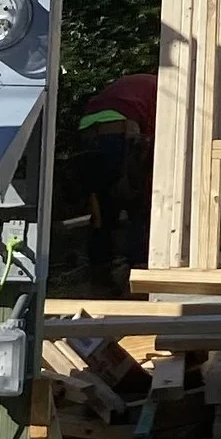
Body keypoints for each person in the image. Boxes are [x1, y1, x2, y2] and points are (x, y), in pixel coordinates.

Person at [65, 69, 157, 284]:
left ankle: (99, 267)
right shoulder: (165, 89)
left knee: (102, 205)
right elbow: (156, 134)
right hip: (119, 132)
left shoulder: (135, 83)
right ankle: (137, 270)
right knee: (138, 203)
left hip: (88, 131)